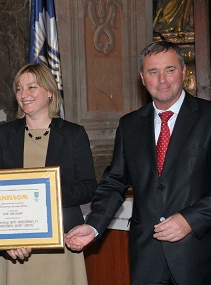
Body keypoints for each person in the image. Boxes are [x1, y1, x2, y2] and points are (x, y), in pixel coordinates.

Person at [65, 41, 211, 285]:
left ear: (184, 72)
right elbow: (114, 182)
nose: (162, 79)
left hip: (198, 255)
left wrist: (190, 219)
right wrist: (93, 227)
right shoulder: (130, 125)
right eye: (153, 72)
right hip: (147, 259)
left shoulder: (207, 117)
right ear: (143, 78)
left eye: (170, 70)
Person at [0, 63, 97, 285]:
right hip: (14, 244)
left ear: (49, 92)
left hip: (59, 242)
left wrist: (45, 198)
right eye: (19, 89)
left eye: (31, 87)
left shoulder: (74, 134)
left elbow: (88, 187)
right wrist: (4, 240)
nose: (23, 94)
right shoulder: (4, 134)